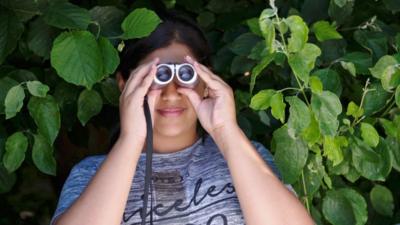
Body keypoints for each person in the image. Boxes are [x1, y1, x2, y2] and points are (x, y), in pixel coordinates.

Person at [50, 10, 314, 225]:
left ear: (206, 79)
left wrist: (226, 131)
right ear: (124, 84)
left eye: (185, 75)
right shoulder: (91, 174)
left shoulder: (244, 157)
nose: (171, 91)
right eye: (156, 76)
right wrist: (132, 139)